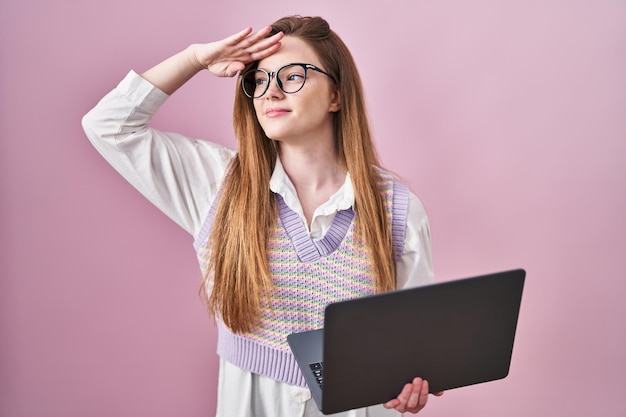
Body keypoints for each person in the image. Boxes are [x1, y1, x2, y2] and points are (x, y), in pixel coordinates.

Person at [82, 15, 441, 417]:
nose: (270, 92)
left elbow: (411, 345)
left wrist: (414, 378)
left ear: (336, 95)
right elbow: (108, 126)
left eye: (292, 77)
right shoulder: (218, 186)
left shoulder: (398, 209)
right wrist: (195, 58)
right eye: (260, 80)